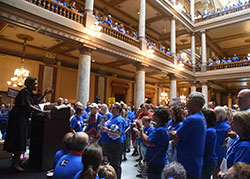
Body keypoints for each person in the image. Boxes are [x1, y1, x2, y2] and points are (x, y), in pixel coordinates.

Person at [3, 77, 53, 172]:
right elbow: (29, 106)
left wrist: (44, 95)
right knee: (19, 139)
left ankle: (16, 161)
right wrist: (44, 112)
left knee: (21, 139)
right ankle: (15, 163)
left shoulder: (29, 93)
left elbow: (34, 103)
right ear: (30, 84)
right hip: (18, 119)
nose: (37, 85)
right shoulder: (24, 92)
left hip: (22, 118)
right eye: (35, 84)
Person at [172, 92, 206, 179]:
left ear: (195, 102)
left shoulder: (192, 119)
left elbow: (177, 136)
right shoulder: (200, 116)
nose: (186, 100)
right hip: (195, 160)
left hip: (187, 161)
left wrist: (172, 132)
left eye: (189, 98)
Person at [136, 107, 170, 179]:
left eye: (154, 115)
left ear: (158, 117)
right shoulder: (163, 128)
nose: (152, 116)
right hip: (159, 160)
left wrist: (141, 129)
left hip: (156, 162)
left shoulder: (160, 130)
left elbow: (147, 141)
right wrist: (150, 143)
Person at [101, 102, 125, 179]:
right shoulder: (112, 117)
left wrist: (107, 130)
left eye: (113, 108)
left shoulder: (119, 120)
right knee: (112, 162)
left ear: (118, 110)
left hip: (115, 144)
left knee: (115, 164)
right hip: (109, 143)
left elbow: (119, 132)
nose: (111, 109)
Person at [201, 108, 218, 179]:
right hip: (208, 160)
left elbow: (204, 148)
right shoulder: (210, 129)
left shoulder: (209, 131)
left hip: (208, 161)